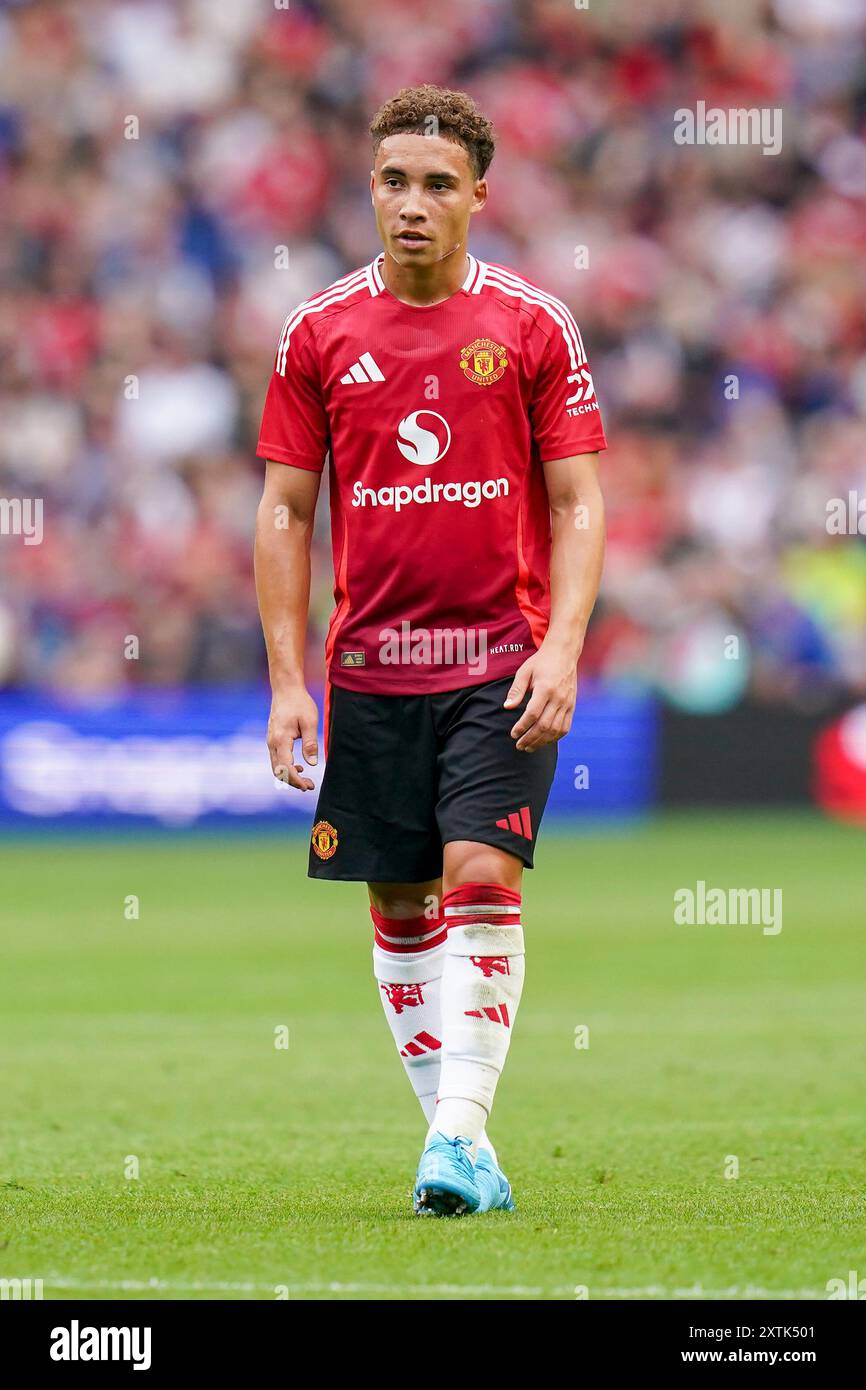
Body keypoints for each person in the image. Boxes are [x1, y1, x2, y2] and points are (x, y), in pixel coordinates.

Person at [254, 84, 607, 1216]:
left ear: (477, 199)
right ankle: (459, 1145)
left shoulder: (531, 324)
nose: (412, 204)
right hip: (369, 669)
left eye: (437, 185)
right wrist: (282, 679)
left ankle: (453, 1136)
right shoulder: (316, 332)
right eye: (394, 181)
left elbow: (579, 501)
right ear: (371, 189)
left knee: (480, 875)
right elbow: (282, 513)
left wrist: (560, 649)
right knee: (401, 907)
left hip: (499, 662)